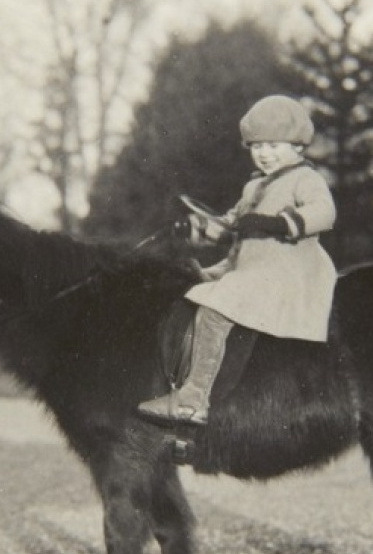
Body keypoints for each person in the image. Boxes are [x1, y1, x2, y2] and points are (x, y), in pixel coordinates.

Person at [138, 95, 338, 426]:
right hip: (248, 269)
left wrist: (277, 223)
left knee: (215, 309)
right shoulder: (254, 186)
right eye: (257, 146)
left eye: (274, 145)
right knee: (188, 284)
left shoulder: (305, 179)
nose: (264, 154)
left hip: (287, 271)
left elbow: (323, 212)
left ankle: (193, 399)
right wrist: (197, 228)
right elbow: (230, 223)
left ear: (298, 146)